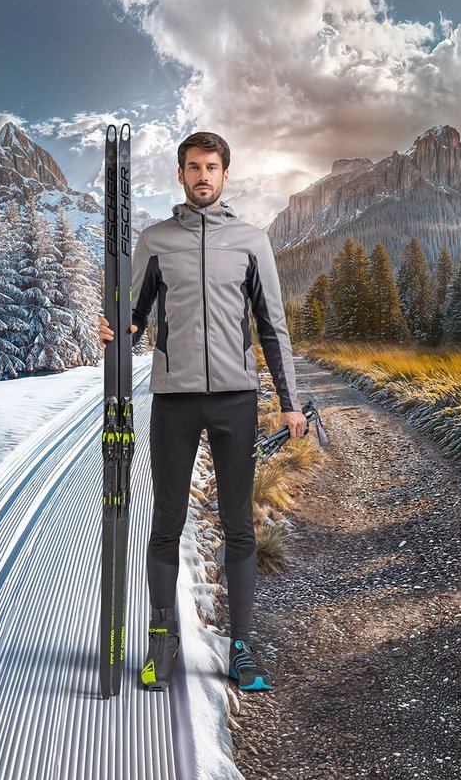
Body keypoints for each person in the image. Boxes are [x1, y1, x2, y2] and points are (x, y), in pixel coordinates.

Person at [99, 131, 306, 692]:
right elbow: (135, 315)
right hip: (174, 398)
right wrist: (117, 331)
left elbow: (272, 326)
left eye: (211, 167)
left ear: (225, 174)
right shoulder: (156, 241)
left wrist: (289, 403)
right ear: (181, 174)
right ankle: (162, 639)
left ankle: (241, 647)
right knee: (166, 521)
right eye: (193, 167)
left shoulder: (251, 241)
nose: (202, 176)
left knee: (239, 524)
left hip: (236, 398)